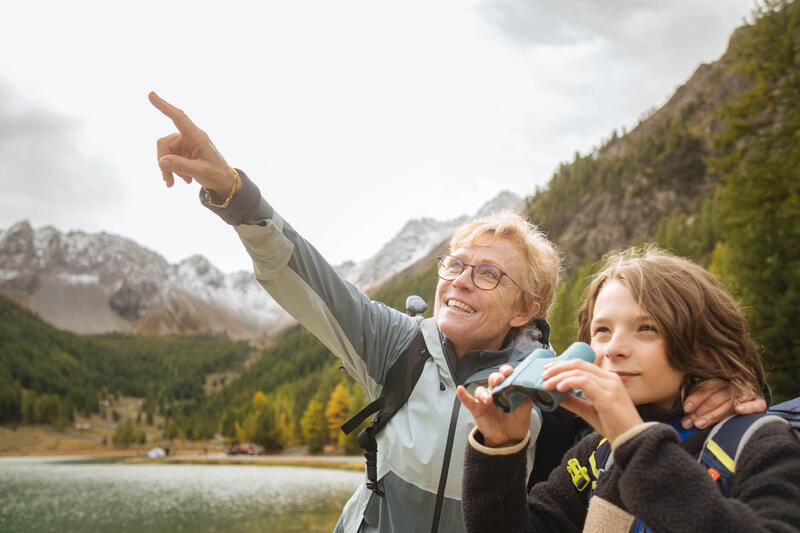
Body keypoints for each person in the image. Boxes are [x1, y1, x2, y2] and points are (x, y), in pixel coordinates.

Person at [148, 92, 765, 533]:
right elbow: (301, 274)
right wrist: (233, 193)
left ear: (529, 305)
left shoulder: (548, 384)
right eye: (454, 265)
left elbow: (649, 415)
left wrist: (724, 380)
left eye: (489, 272)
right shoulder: (397, 345)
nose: (461, 281)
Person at [458, 248, 800, 532]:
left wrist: (635, 443)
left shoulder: (761, 443)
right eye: (603, 330)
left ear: (704, 346)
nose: (614, 348)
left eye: (647, 328)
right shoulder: (595, 453)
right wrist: (500, 450)